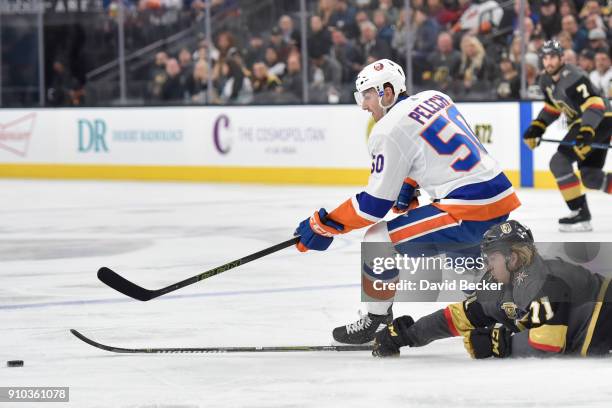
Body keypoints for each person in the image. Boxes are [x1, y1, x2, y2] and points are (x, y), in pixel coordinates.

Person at [294, 58, 520, 345]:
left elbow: (372, 206)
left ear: (387, 92)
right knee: (460, 260)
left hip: (468, 208)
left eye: (366, 95)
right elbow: (433, 149)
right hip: (498, 195)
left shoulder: (387, 129)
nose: (363, 105)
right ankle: (497, 310)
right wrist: (410, 183)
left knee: (378, 238)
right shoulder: (435, 97)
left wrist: (324, 224)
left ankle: (376, 320)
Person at [372, 220, 612, 358]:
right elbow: (459, 316)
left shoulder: (546, 281)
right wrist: (408, 335)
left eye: (491, 258)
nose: (486, 265)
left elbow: (548, 344)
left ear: (514, 258)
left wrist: (500, 345)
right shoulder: (501, 281)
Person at [522, 40, 611, 232]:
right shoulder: (545, 80)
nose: (548, 62)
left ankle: (580, 214)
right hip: (590, 122)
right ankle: (581, 214)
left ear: (562, 58)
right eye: (545, 58)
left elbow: (595, 104)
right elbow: (553, 107)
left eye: (552, 57)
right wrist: (537, 127)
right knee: (591, 177)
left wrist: (587, 131)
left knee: (559, 163)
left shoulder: (574, 77)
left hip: (600, 120)